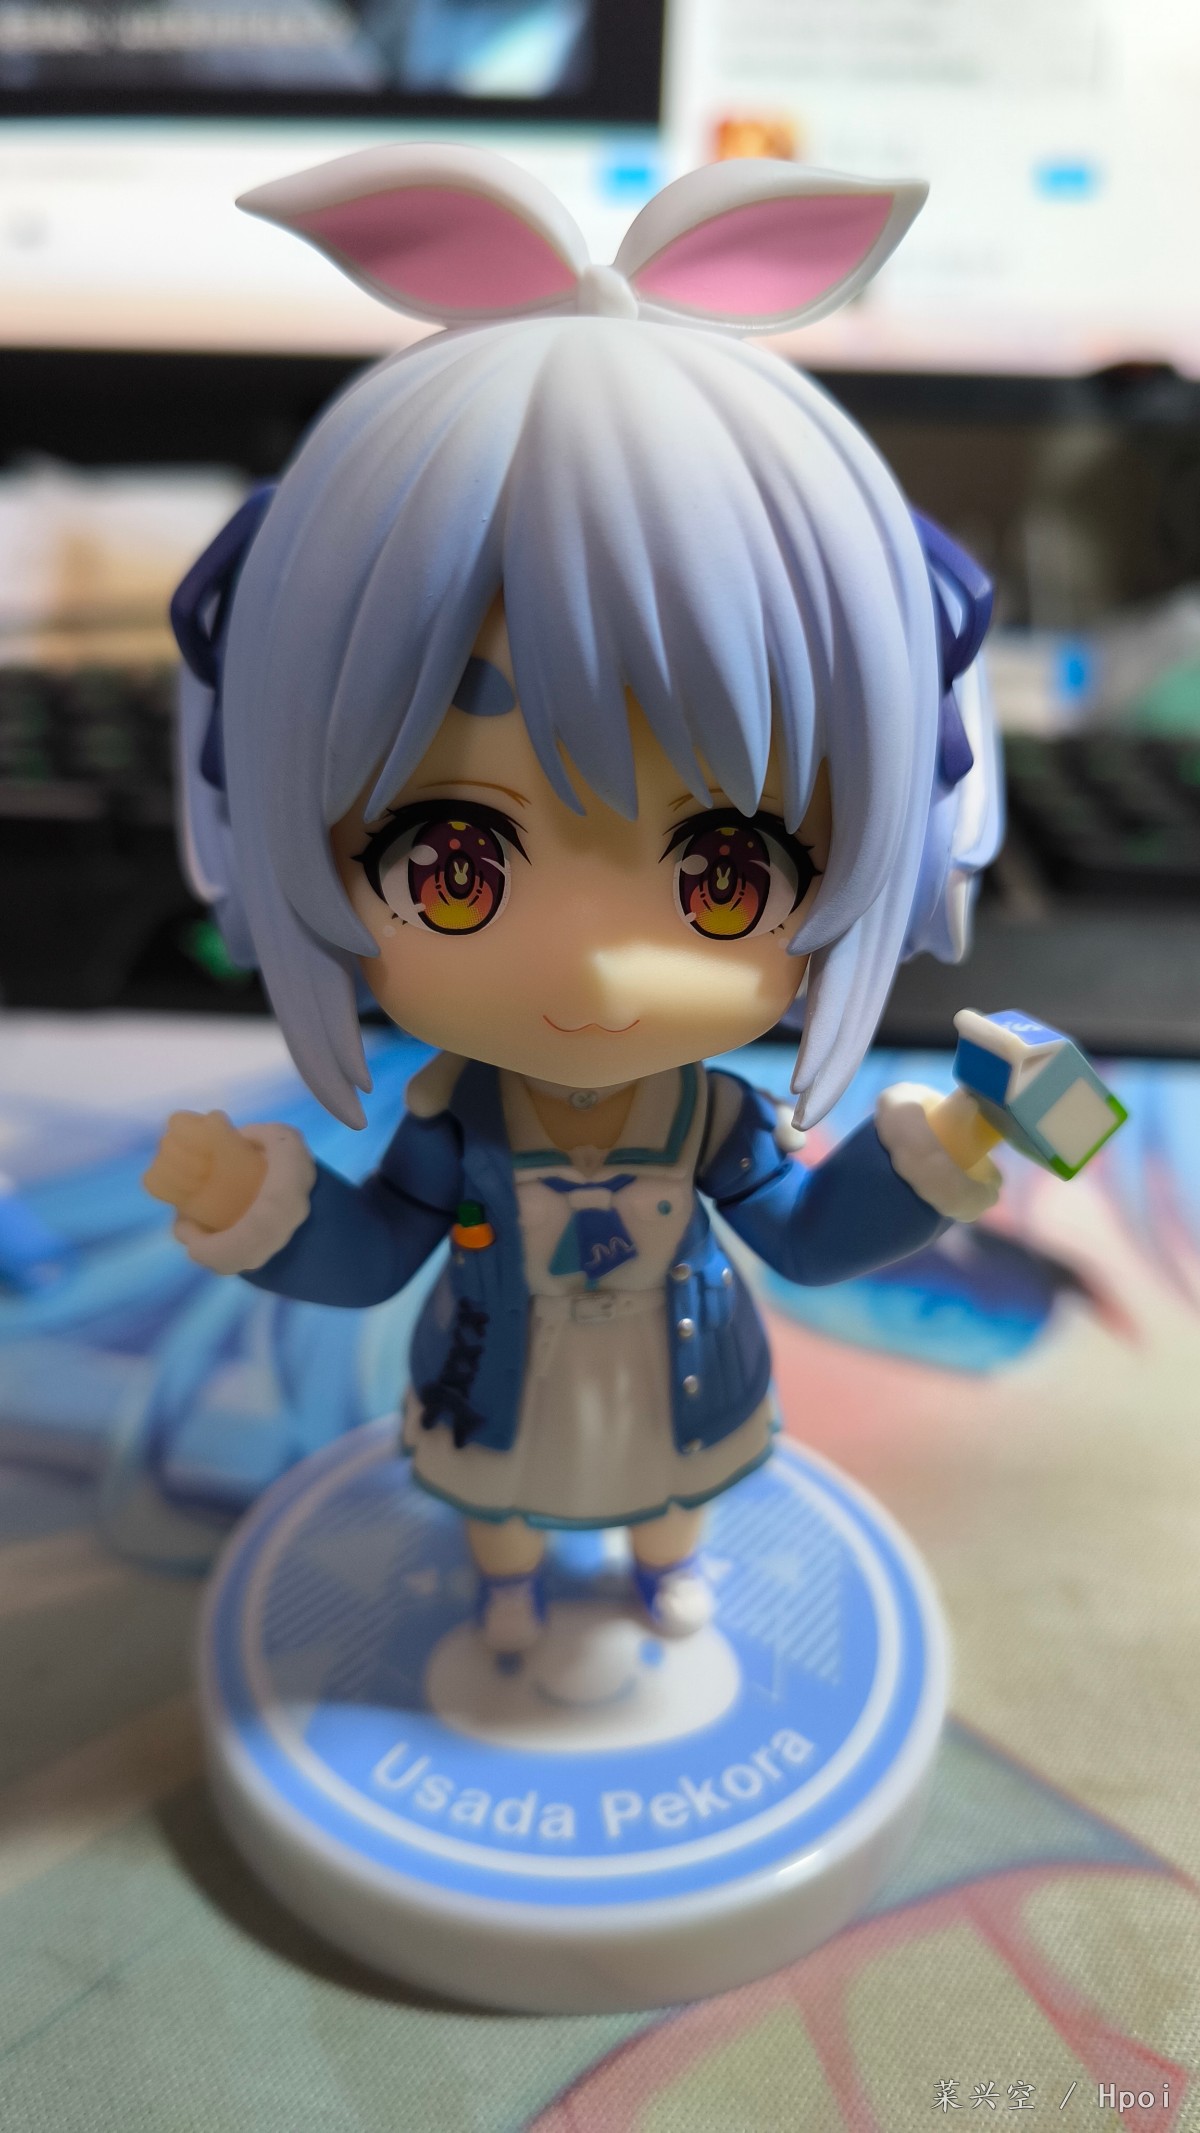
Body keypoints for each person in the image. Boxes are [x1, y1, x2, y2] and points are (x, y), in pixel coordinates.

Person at [145, 145, 1005, 1653]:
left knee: (674, 1503)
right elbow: (370, 1255)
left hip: (682, 1389)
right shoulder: (454, 1123)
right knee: (501, 1505)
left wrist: (924, 1166)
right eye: (456, 869)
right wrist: (262, 1211)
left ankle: (664, 1572)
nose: (598, 971)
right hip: (498, 1396)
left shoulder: (715, 1122)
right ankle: (505, 1590)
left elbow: (806, 1238)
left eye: (725, 876)